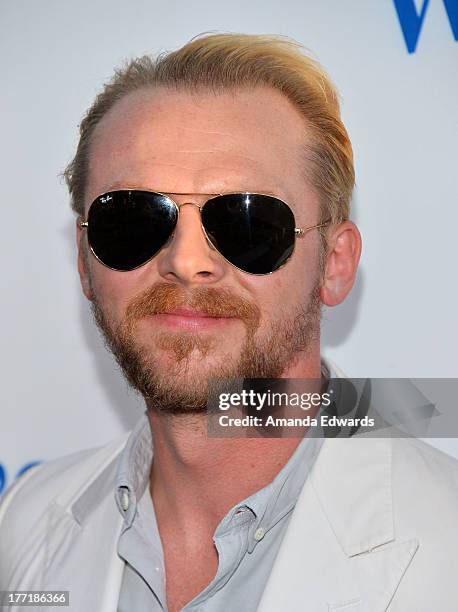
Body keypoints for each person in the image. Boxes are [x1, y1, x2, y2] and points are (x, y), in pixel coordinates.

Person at [0, 33, 457, 612]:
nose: (186, 262)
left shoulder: (448, 547)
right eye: (134, 220)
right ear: (85, 261)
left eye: (247, 223)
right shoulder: (24, 522)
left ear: (335, 265)